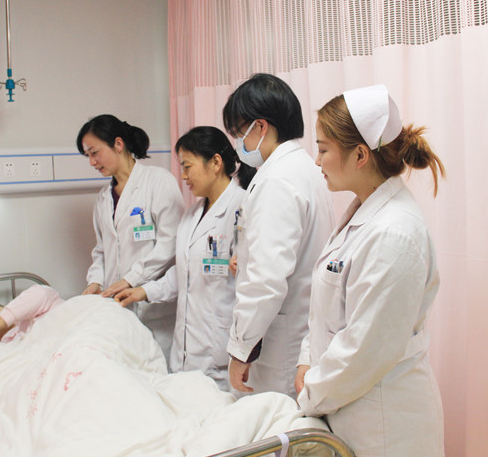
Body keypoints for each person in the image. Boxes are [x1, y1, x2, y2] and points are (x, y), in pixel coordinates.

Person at [294, 84, 446, 457]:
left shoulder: (395, 232)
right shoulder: (363, 215)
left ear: (360, 154)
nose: (317, 160)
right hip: (349, 407)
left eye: (323, 149)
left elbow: (364, 348)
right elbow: (327, 313)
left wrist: (310, 391)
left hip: (386, 424)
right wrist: (306, 362)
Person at [115, 126, 255, 391]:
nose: (183, 176)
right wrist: (143, 292)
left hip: (220, 349)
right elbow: (184, 273)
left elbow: (253, 280)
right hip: (185, 350)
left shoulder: (242, 209)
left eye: (188, 167)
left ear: (215, 162)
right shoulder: (191, 215)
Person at [222, 73, 334, 396]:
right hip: (300, 333)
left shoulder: (276, 180)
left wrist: (240, 350)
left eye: (239, 133)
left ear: (260, 127)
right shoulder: (304, 168)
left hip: (282, 347)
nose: (239, 144)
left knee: (274, 422)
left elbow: (266, 280)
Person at [77, 114, 184, 363]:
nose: (92, 162)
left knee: (159, 372)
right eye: (88, 156)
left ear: (118, 144)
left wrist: (131, 278)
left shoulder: (158, 182)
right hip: (118, 308)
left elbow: (170, 243)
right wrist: (95, 281)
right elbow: (101, 250)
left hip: (155, 309)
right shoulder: (103, 199)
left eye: (95, 153)